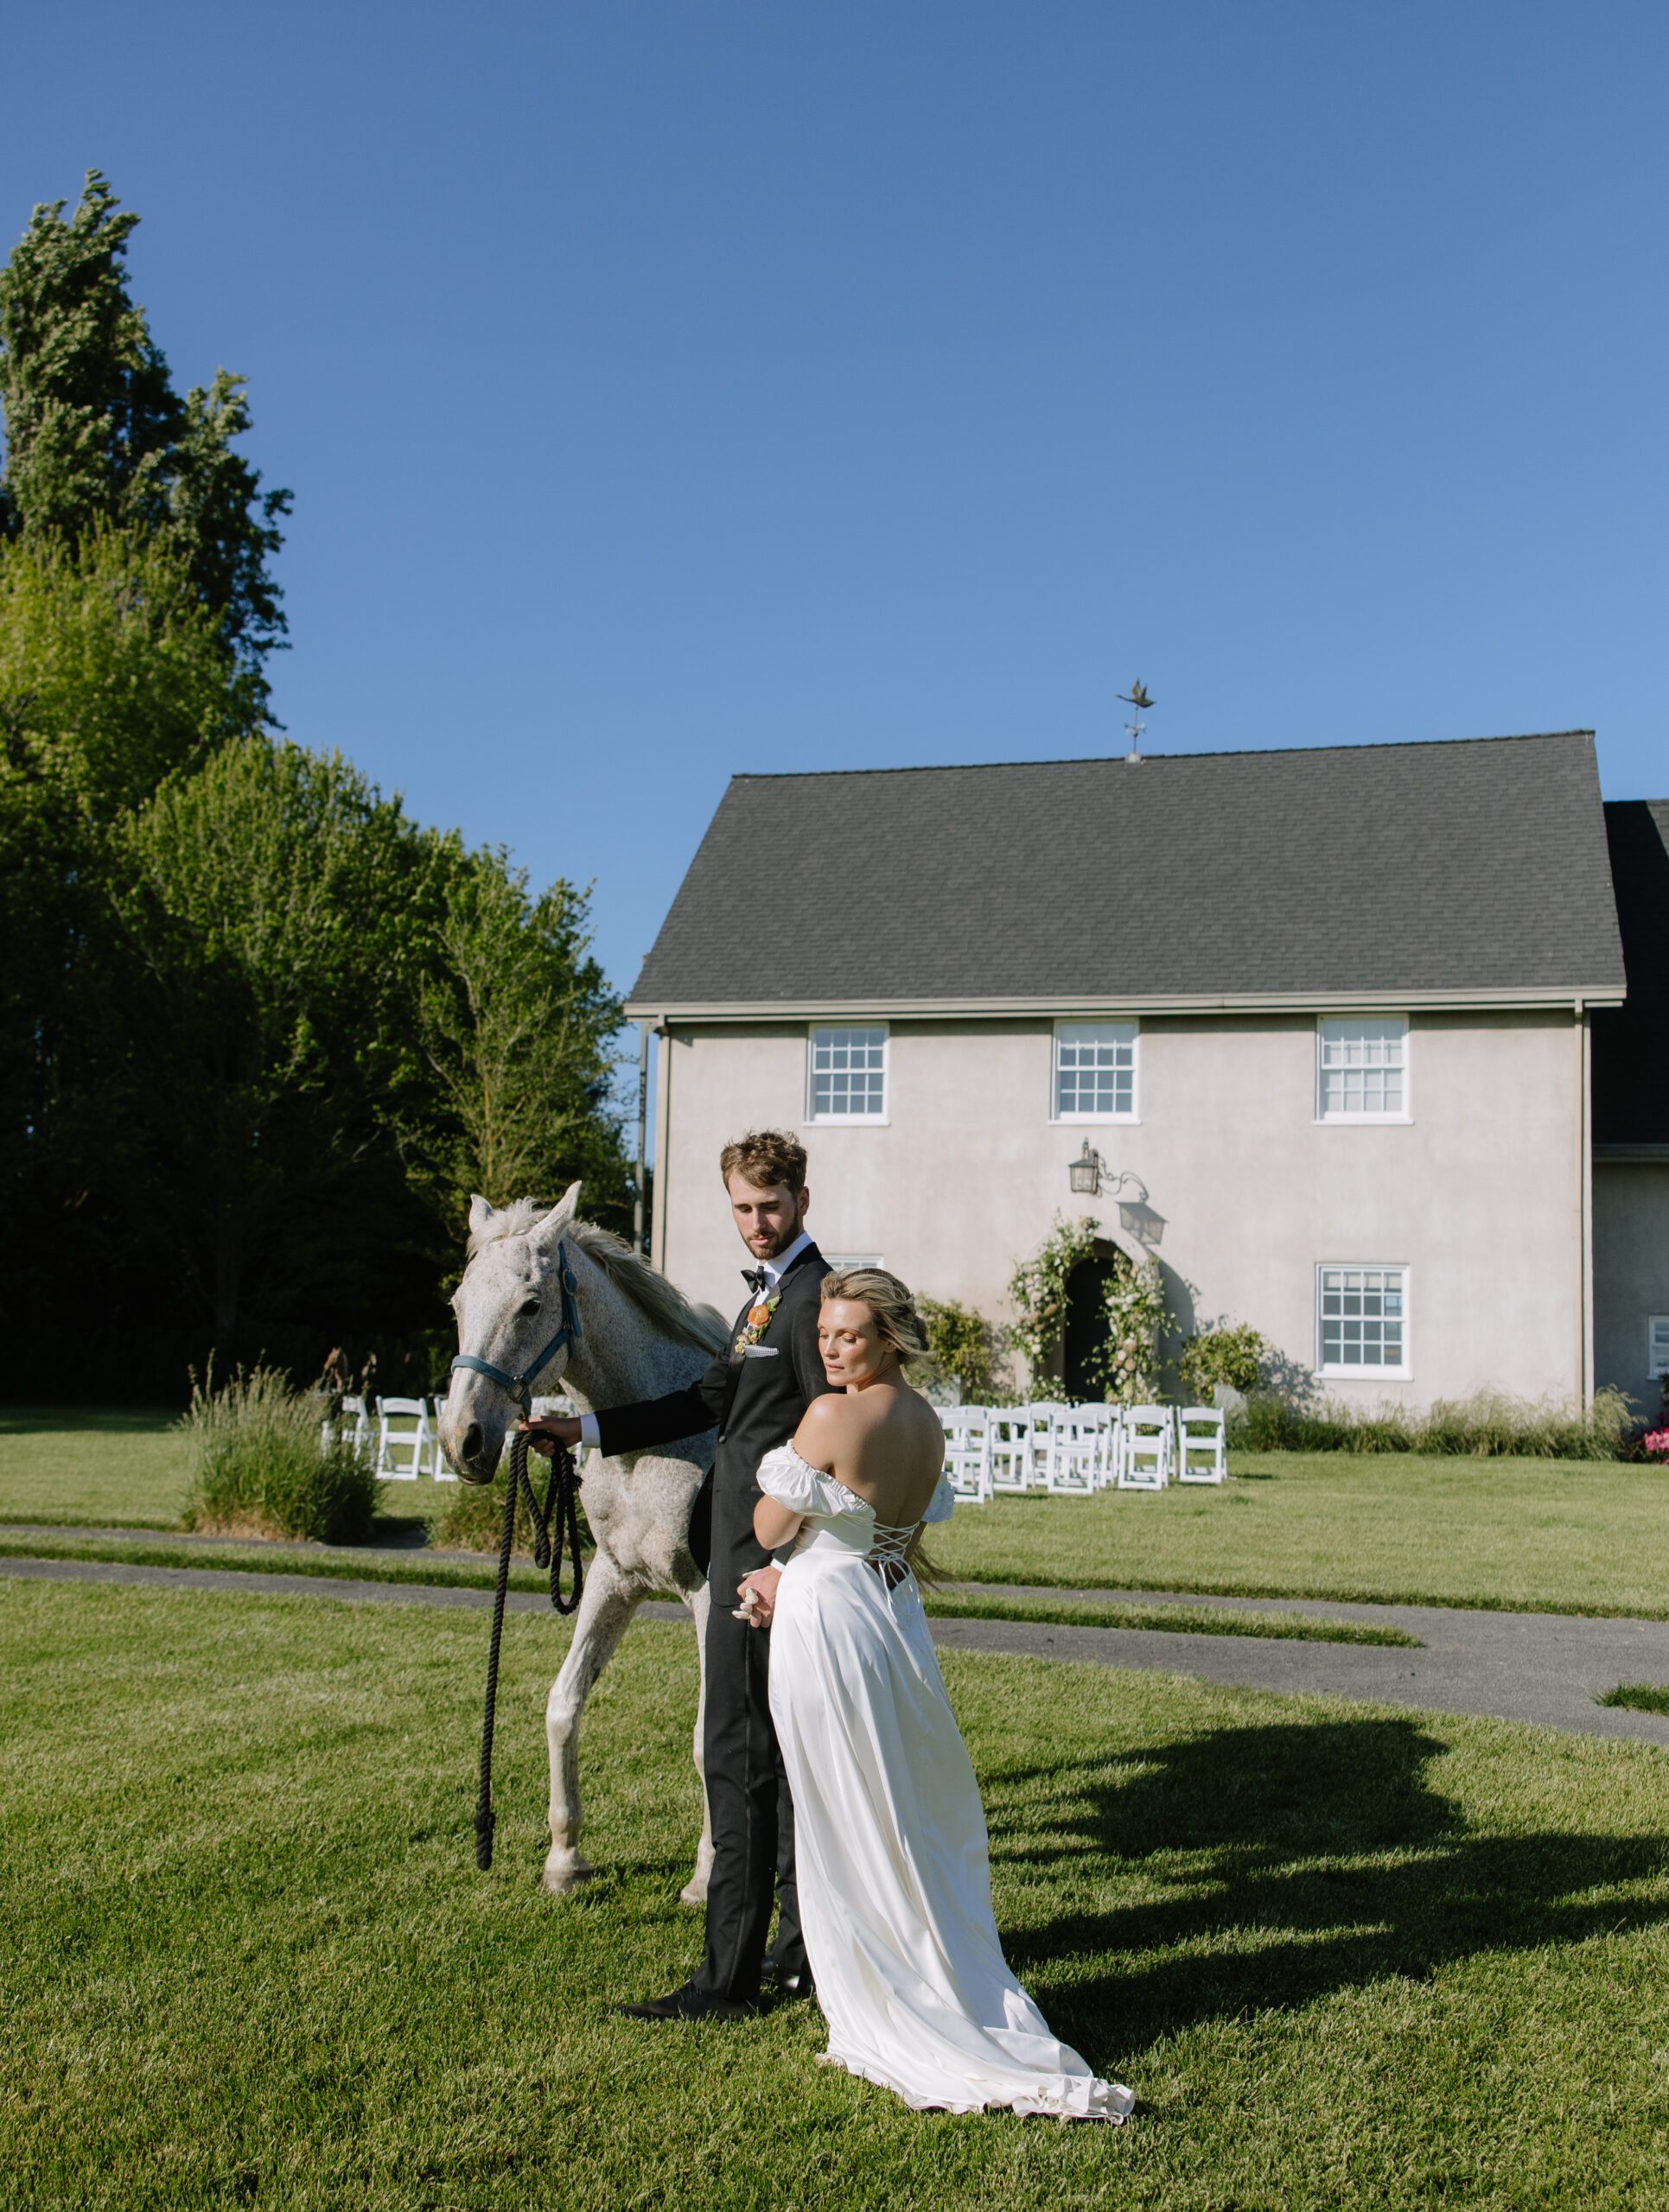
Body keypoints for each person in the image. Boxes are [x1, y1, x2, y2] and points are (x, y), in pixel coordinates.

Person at [749, 1267, 1135, 2121]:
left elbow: (769, 1526)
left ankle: (884, 1998)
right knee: (892, 1803)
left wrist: (779, 1543)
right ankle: (913, 1968)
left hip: (829, 1622)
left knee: (842, 1806)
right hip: (887, 1614)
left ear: (887, 1338)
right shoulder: (923, 1419)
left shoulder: (829, 1415)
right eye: (823, 1335)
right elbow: (894, 1530)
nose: (830, 1348)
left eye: (848, 1335)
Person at [523, 1128, 834, 2020]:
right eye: (741, 1207)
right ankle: (788, 1958)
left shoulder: (813, 1297)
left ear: (800, 1202)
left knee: (745, 1760)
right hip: (741, 1555)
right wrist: (578, 1433)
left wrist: (781, 1563)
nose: (756, 1223)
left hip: (763, 1569)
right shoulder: (766, 1301)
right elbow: (707, 1402)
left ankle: (729, 1979)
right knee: (759, 1761)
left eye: (770, 1206)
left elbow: (829, 1432)